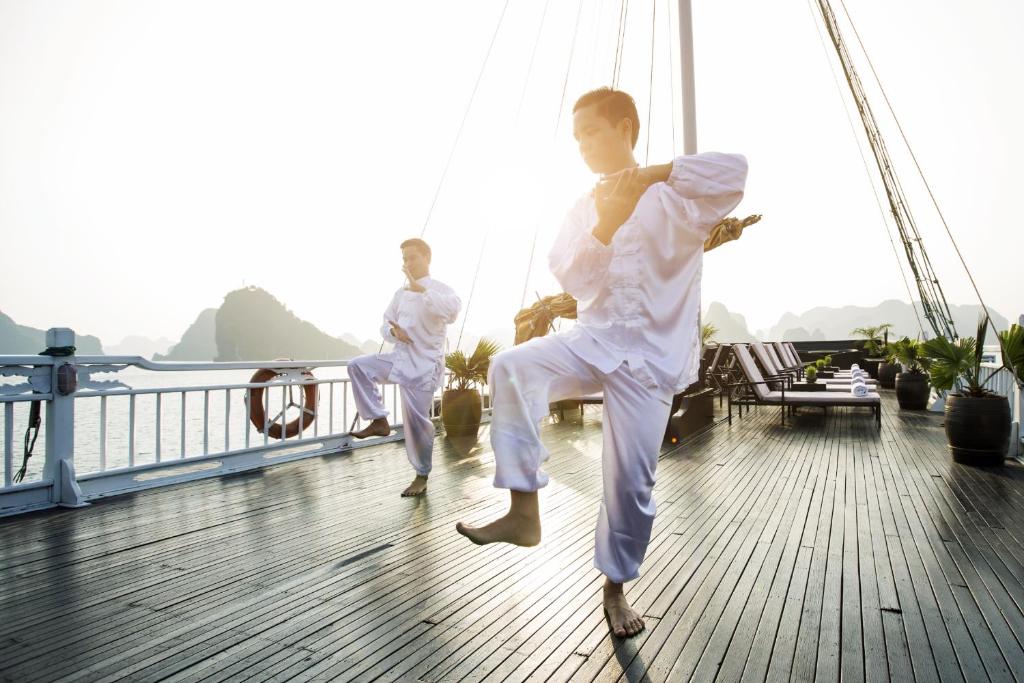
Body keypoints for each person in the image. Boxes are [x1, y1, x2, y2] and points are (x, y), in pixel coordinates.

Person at [455, 87, 748, 637]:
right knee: (510, 368)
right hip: (594, 339)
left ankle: (614, 590)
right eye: (577, 137)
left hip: (651, 361)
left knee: (629, 485)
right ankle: (524, 512)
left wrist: (643, 179)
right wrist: (606, 223)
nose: (584, 145)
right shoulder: (581, 208)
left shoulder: (674, 198)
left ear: (626, 128)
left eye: (592, 131)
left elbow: (733, 173)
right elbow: (575, 277)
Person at [348, 238, 461, 497]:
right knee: (357, 366)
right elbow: (385, 323)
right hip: (399, 358)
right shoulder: (400, 294)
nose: (408, 263)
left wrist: (420, 288)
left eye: (413, 257)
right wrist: (393, 331)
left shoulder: (442, 290)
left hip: (424, 366)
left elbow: (452, 312)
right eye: (405, 259)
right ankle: (379, 419)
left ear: (427, 258)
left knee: (416, 424)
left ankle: (421, 476)